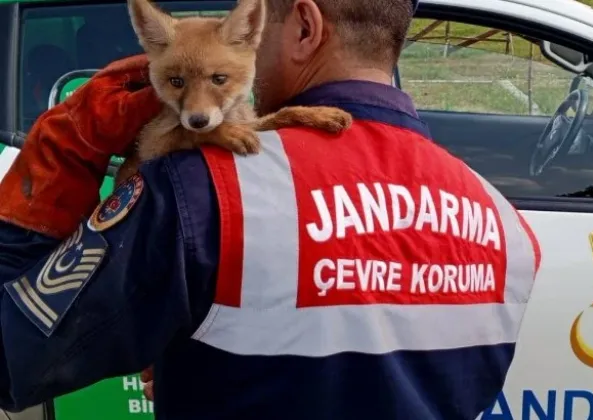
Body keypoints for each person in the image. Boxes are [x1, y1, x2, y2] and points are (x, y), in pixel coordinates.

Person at [0, 0, 541, 418]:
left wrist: (62, 153)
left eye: (262, 25)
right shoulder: (503, 222)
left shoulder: (200, 191)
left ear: (305, 27)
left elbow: (10, 356)